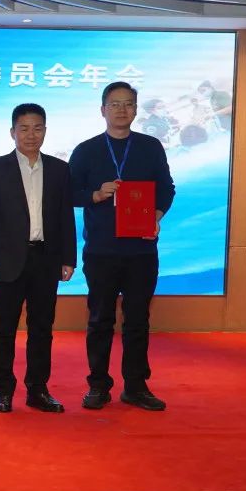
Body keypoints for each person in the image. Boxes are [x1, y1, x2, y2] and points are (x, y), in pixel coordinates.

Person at [69, 81, 175, 411]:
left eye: (128, 103)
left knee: (138, 320)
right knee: (100, 319)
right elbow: (68, 193)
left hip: (141, 251)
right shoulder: (86, 150)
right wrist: (96, 194)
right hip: (101, 250)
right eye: (114, 104)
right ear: (102, 110)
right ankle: (98, 385)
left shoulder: (150, 147)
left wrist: (155, 216)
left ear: (136, 110)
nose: (121, 110)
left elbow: (166, 189)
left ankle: (136, 386)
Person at [0, 103, 76, 414]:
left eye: (37, 128)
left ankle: (38, 389)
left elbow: (65, 216)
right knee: (3, 328)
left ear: (45, 131)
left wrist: (69, 257)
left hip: (46, 258)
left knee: (42, 328)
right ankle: (3, 390)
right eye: (24, 128)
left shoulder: (59, 169)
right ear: (12, 132)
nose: (31, 135)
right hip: (7, 260)